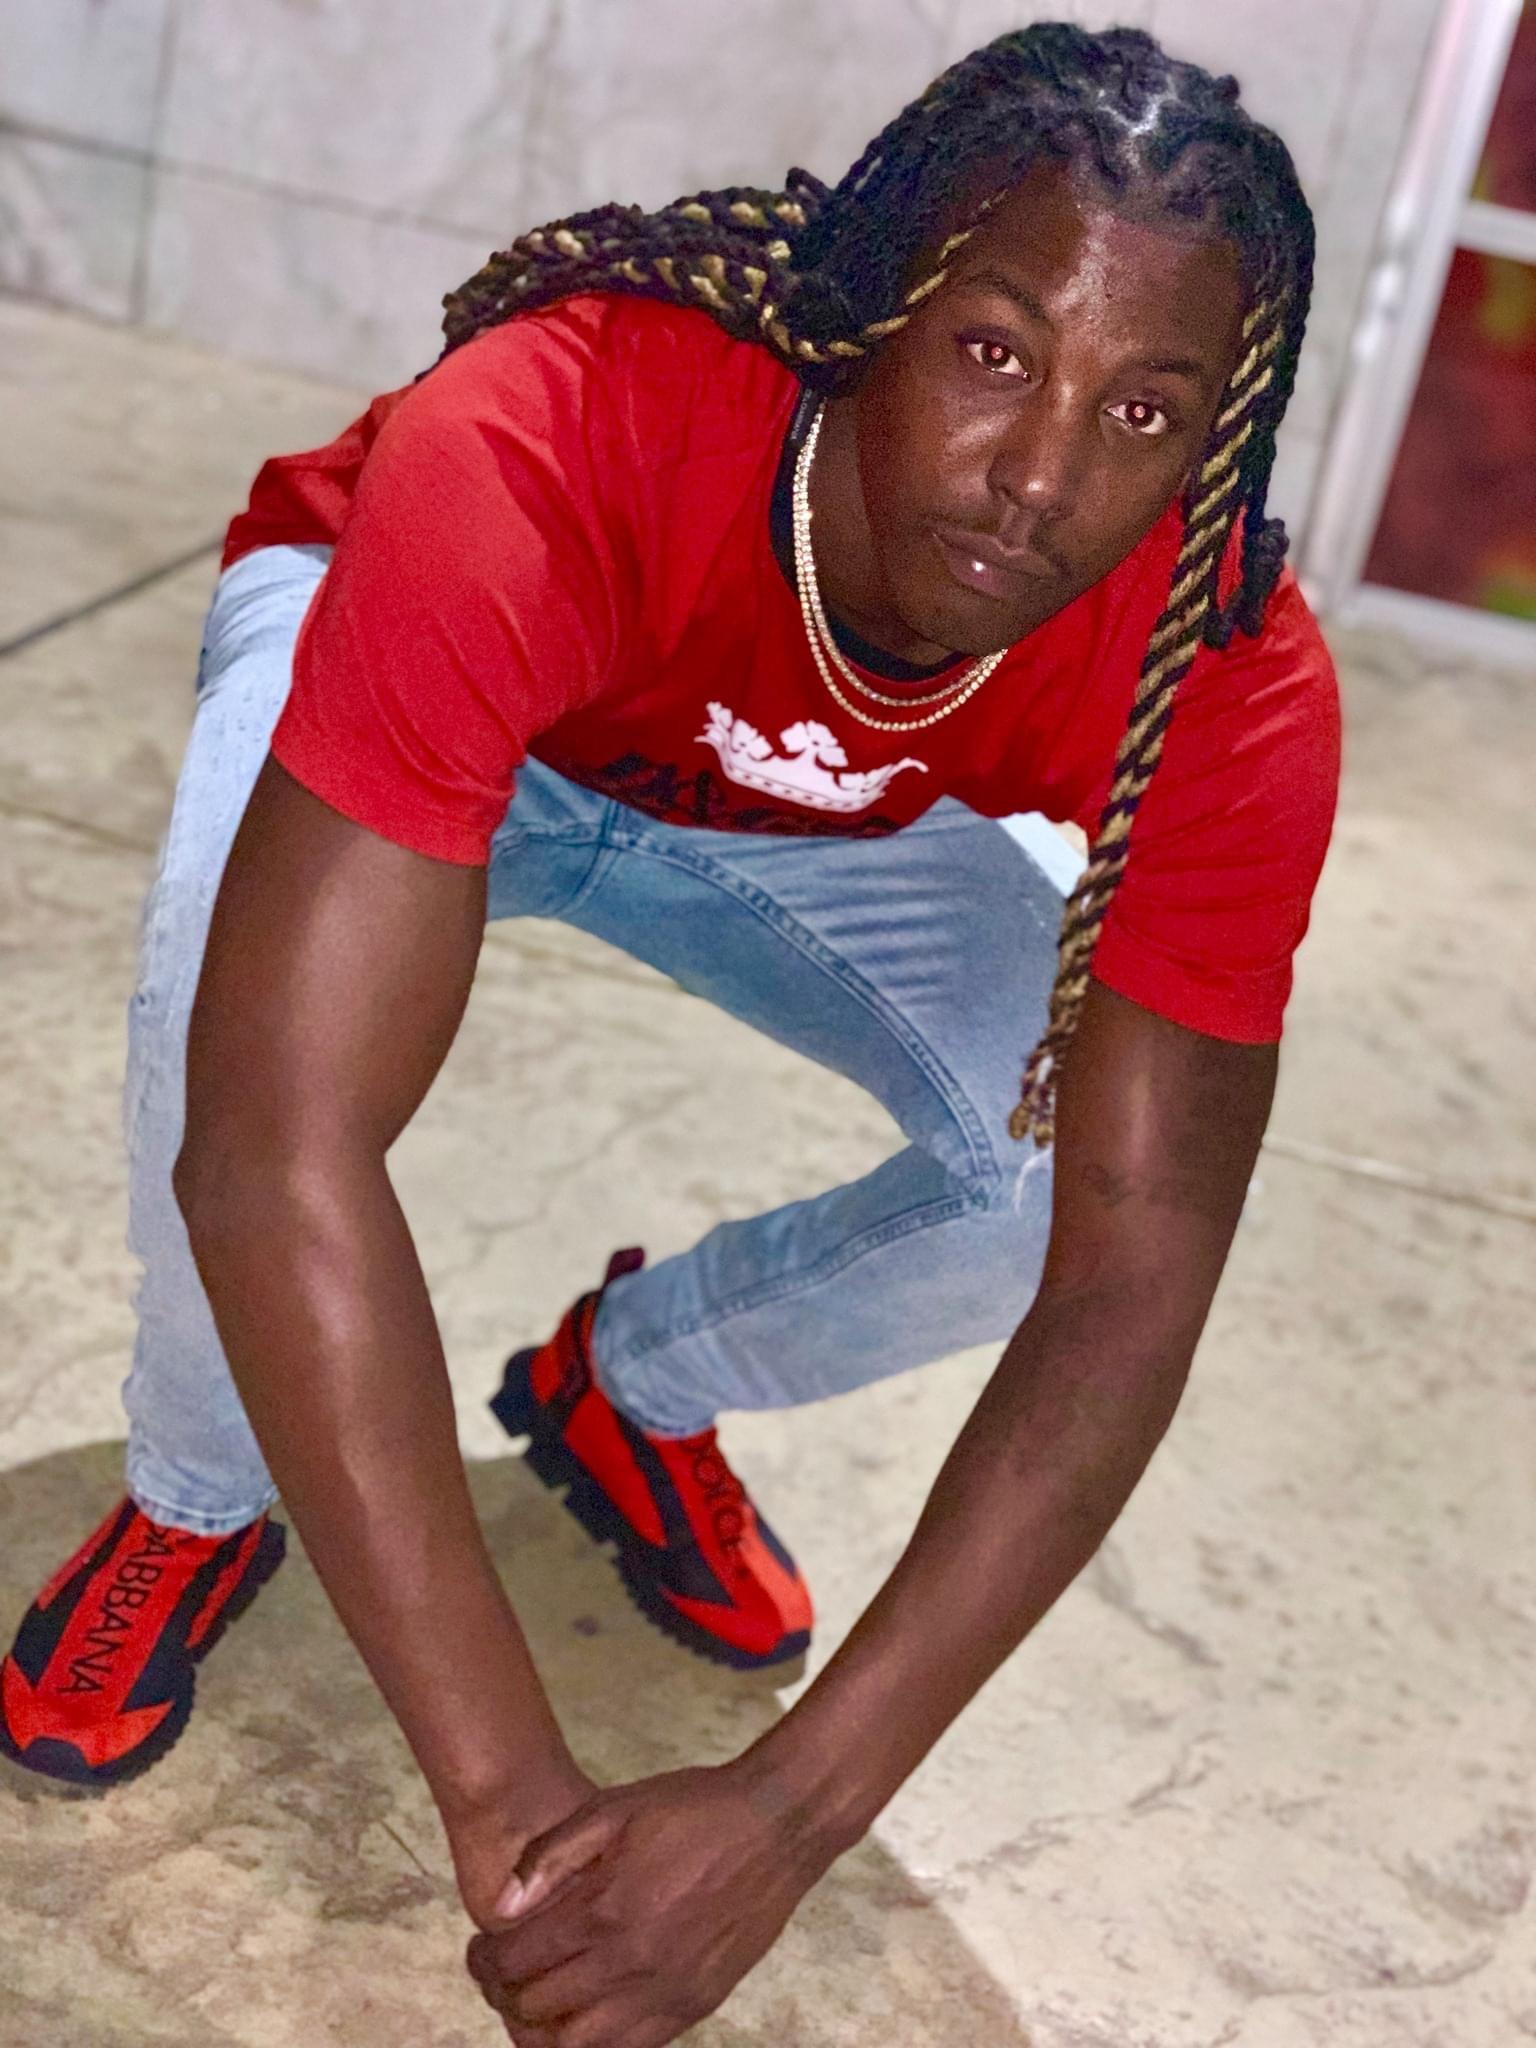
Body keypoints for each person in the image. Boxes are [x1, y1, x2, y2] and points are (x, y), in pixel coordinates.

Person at [1, 21, 1338, 2045]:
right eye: (993, 350)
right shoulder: (556, 425)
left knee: (1047, 1177)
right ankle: (198, 1492)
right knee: (229, 1029)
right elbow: (277, 1149)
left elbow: (1133, 1286)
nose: (1047, 472)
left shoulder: (1216, 658)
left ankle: (635, 1384)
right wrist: (515, 1813)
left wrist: (790, 1815)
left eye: (1143, 407)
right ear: (876, 309)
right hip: (424, 659)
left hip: (798, 809)